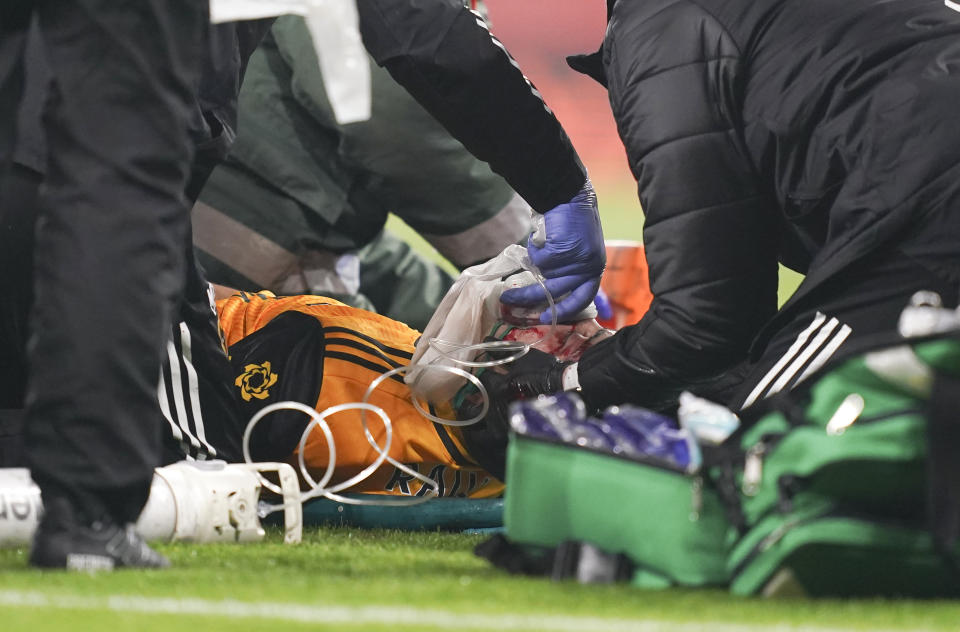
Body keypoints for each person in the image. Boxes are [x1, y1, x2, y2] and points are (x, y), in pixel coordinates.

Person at [491, 0, 960, 416]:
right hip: (924, 194)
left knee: (759, 456)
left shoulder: (668, 23)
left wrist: (560, 387)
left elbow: (708, 322)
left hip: (929, 207)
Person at [195, 9, 531, 331]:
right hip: (213, 278)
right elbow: (390, 116)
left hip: (205, 249)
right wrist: (532, 268)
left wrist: (460, 315)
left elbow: (333, 232)